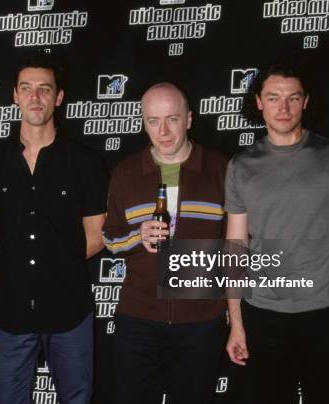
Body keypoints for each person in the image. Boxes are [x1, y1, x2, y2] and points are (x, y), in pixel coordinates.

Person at [224, 62, 329, 404]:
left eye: (293, 98)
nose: (284, 107)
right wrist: (236, 321)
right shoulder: (241, 166)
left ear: (306, 101)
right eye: (274, 98)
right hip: (262, 314)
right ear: (259, 102)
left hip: (327, 310)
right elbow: (235, 247)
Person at [0, 51, 108, 404]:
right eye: (27, 88)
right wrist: (14, 274)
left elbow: (96, 235)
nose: (35, 97)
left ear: (58, 97)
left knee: (77, 397)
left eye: (44, 89)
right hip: (10, 310)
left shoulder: (87, 163)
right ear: (15, 95)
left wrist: (53, 269)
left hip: (69, 310)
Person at [103, 82, 228, 404]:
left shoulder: (221, 170)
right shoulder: (126, 173)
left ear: (189, 119)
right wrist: (136, 236)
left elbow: (239, 245)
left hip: (201, 320)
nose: (163, 131)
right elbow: (109, 237)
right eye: (153, 121)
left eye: (172, 119)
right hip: (138, 318)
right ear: (143, 122)